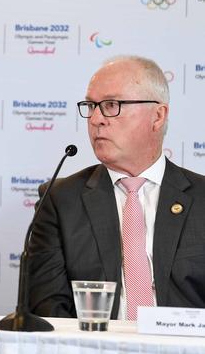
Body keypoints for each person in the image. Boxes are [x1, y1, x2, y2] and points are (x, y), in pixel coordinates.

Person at [28, 55, 205, 320]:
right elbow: (48, 308)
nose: (96, 118)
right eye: (91, 106)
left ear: (158, 116)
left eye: (111, 105)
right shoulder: (60, 200)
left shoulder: (201, 198)